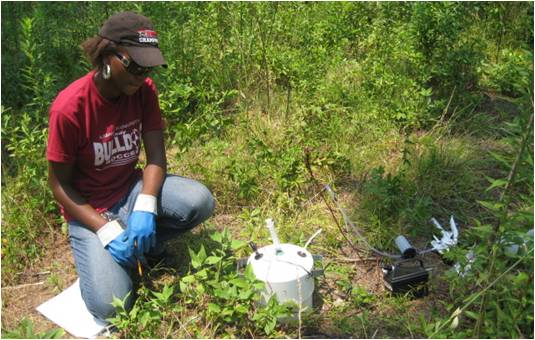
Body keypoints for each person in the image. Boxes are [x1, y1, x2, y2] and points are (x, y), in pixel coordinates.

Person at [46, 11, 215, 321]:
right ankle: (110, 250)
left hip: (130, 190)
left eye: (148, 68)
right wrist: (105, 229)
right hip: (90, 211)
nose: (141, 76)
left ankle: (139, 241)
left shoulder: (144, 91)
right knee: (111, 306)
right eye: (134, 66)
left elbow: (156, 159)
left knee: (199, 201)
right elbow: (59, 185)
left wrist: (146, 206)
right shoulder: (69, 108)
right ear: (107, 56)